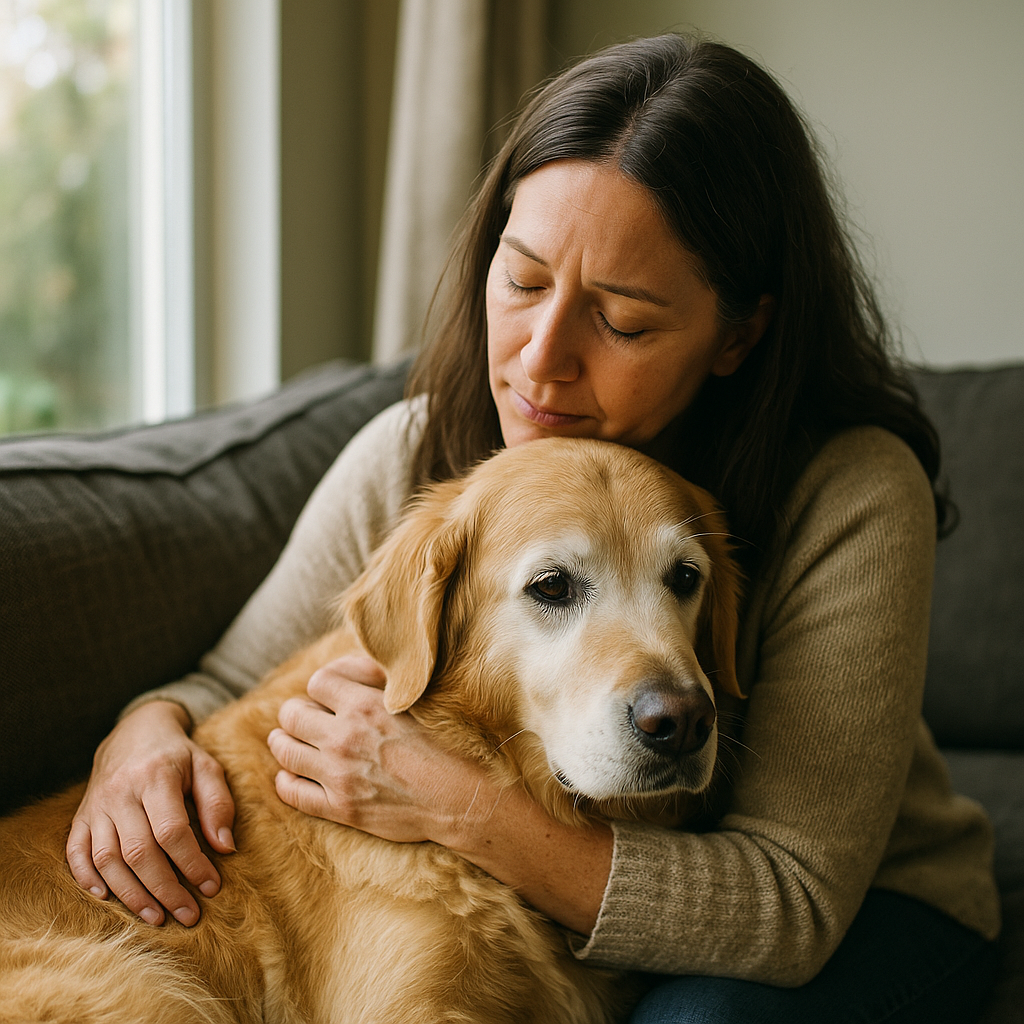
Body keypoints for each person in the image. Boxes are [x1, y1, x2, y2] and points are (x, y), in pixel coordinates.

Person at [66, 34, 1000, 1022]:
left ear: (737, 332)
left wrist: (451, 805)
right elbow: (228, 679)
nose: (540, 360)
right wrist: (136, 737)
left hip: (860, 905)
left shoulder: (851, 487)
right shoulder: (417, 453)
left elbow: (791, 903)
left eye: (623, 320)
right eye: (521, 280)